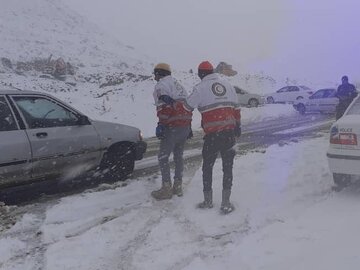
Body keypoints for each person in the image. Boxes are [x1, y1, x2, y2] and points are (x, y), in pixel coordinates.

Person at [185, 61, 241, 214]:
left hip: (212, 137)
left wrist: (187, 126)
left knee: (207, 167)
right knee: (227, 168)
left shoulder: (200, 88)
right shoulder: (228, 85)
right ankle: (226, 202)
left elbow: (187, 107)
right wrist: (238, 126)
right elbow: (236, 109)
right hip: (229, 134)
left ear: (201, 74)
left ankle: (208, 201)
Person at [151, 63, 193, 200]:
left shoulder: (161, 86)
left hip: (172, 126)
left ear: (159, 73)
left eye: (155, 73)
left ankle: (166, 188)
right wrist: (189, 126)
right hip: (184, 126)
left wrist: (161, 124)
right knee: (178, 156)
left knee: (163, 157)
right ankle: (178, 186)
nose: (154, 76)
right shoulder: (179, 86)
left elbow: (165, 106)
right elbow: (188, 106)